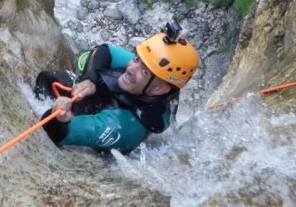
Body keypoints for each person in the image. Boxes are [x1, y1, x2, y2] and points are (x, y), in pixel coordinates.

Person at [34, 20, 199, 153]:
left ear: (159, 90)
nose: (130, 68)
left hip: (114, 119)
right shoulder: (158, 79)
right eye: (136, 59)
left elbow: (57, 133)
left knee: (50, 82)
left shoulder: (123, 127)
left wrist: (59, 117)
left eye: (144, 72)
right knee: (52, 77)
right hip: (119, 99)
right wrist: (90, 79)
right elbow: (105, 51)